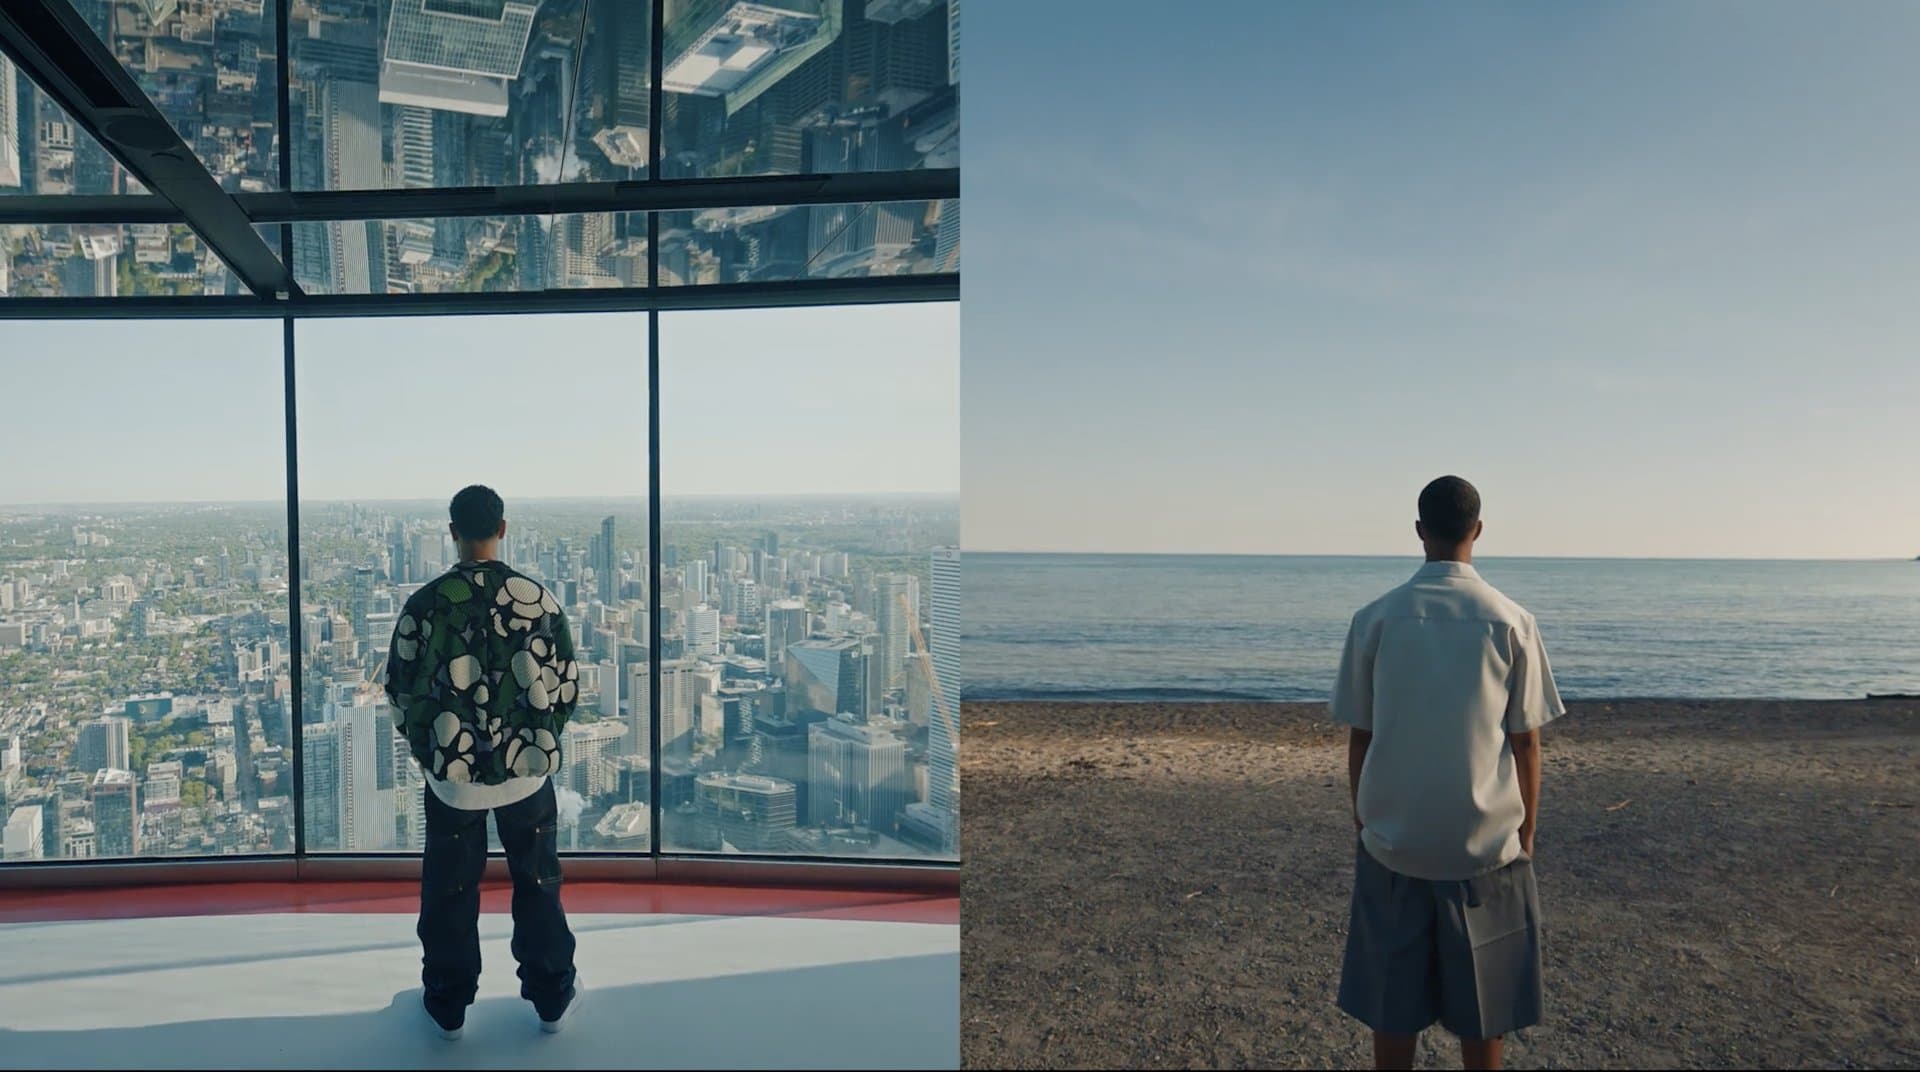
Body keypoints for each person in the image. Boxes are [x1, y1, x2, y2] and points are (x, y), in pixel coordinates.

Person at [1329, 475, 1565, 1071]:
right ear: (1477, 531)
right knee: (1484, 1011)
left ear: (1418, 532)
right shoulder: (1512, 621)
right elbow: (1526, 741)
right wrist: (1527, 831)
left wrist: (1364, 817)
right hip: (1486, 845)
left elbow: (1362, 732)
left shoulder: (1376, 618)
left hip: (1394, 841)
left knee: (1393, 1005)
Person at [385, 484, 583, 1039]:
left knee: (449, 889)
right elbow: (566, 684)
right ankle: (552, 1000)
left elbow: (400, 691)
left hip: (454, 781)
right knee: (539, 882)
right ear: (502, 529)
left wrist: (435, 754)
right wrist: (536, 741)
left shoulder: (426, 604)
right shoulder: (537, 599)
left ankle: (447, 1008)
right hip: (527, 776)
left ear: (453, 532)